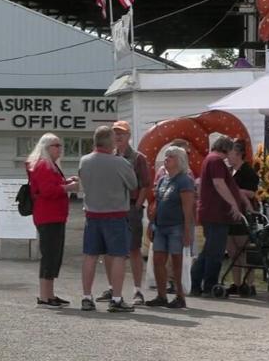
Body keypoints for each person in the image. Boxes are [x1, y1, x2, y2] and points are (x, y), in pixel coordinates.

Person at [79, 126, 138, 313]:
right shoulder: (120, 163)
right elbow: (133, 184)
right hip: (115, 215)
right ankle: (117, 298)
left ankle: (86, 297)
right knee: (118, 256)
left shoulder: (84, 161)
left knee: (90, 255)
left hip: (92, 214)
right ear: (110, 142)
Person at [95, 121, 151, 305]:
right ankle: (113, 288)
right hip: (111, 208)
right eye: (116, 133)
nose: (119, 136)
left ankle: (137, 291)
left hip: (130, 207)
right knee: (109, 250)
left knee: (134, 249)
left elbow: (145, 184)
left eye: (123, 133)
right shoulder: (107, 157)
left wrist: (137, 206)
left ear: (129, 136)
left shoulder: (137, 158)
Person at [26, 133, 79, 309]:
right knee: (49, 255)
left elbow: (52, 185)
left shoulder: (50, 165)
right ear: (47, 147)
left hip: (54, 215)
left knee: (54, 255)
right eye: (56, 145)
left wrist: (66, 182)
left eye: (60, 145)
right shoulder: (43, 165)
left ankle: (49, 294)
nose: (60, 148)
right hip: (48, 215)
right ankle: (44, 296)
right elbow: (47, 190)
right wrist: (68, 187)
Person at [191, 136, 247, 296]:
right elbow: (219, 183)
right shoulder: (216, 161)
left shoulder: (211, 159)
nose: (231, 156)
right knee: (215, 252)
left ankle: (196, 284)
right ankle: (210, 285)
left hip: (213, 213)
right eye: (231, 151)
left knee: (209, 250)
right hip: (216, 214)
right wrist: (233, 204)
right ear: (226, 149)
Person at [146, 147, 195, 309]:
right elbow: (158, 203)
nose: (166, 159)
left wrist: (188, 231)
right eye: (166, 156)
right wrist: (151, 224)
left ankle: (180, 296)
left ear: (179, 160)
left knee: (176, 262)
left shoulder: (185, 180)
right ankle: (161, 295)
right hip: (160, 226)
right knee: (158, 260)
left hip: (177, 227)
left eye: (171, 157)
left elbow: (188, 208)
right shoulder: (162, 180)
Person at [225, 138, 259, 296]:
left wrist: (233, 190)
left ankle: (249, 283)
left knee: (243, 250)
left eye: (230, 154)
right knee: (232, 251)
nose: (227, 157)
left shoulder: (248, 171)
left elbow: (252, 192)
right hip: (230, 214)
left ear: (238, 154)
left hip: (244, 213)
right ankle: (236, 283)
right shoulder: (230, 171)